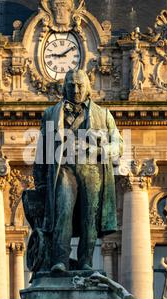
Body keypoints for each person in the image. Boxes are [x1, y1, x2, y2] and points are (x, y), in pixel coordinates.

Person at [32, 69, 123, 272]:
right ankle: (60, 261)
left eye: (80, 85)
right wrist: (39, 185)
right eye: (71, 85)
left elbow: (119, 146)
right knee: (63, 211)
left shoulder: (103, 115)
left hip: (92, 171)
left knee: (89, 217)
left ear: (87, 87)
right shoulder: (51, 114)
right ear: (65, 87)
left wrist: (100, 150)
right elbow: (41, 153)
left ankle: (86, 262)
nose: (76, 89)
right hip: (64, 169)